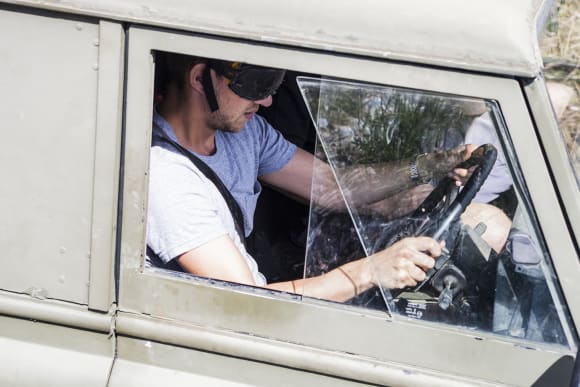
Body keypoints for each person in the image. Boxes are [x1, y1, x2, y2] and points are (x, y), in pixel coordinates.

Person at [146, 52, 505, 302]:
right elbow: (248, 303)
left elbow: (333, 187)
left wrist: (432, 164)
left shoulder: (243, 133)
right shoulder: (167, 178)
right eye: (257, 84)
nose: (268, 102)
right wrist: (368, 272)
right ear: (198, 79)